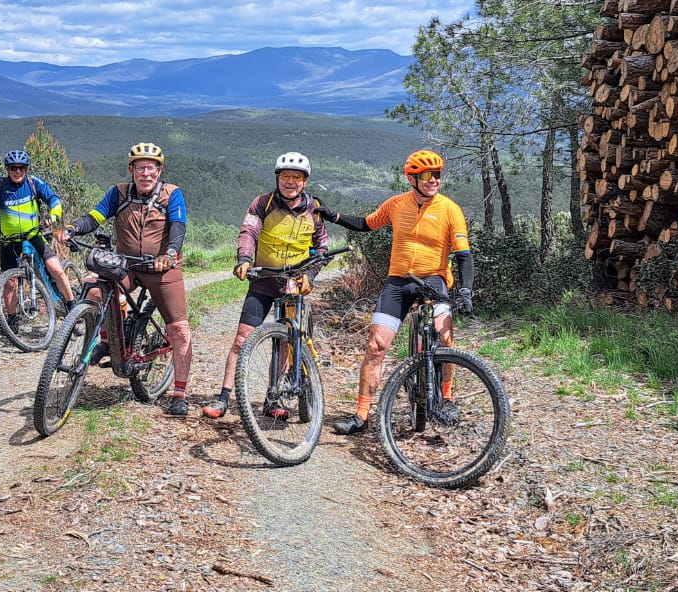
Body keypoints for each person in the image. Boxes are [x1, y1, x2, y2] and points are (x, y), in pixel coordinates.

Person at [319, 149, 475, 435]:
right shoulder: (396, 204)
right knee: (376, 346)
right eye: (427, 175)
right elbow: (367, 224)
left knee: (444, 335)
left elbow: (464, 255)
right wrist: (334, 216)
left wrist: (465, 291)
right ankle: (361, 415)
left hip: (434, 279)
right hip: (399, 282)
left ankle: (447, 397)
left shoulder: (450, 209)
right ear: (412, 179)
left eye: (437, 174)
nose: (433, 180)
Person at [65, 142, 194, 416]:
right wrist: (73, 228)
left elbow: (178, 227)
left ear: (159, 171)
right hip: (129, 265)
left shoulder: (172, 194)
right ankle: (107, 340)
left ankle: (180, 393)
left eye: (151, 168)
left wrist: (170, 254)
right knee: (95, 290)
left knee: (180, 330)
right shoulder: (119, 193)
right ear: (131, 170)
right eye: (140, 167)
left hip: (163, 268)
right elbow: (96, 216)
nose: (146, 173)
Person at [203, 152, 329, 419]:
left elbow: (322, 248)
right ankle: (223, 397)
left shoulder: (315, 209)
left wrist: (311, 274)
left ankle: (272, 399)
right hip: (263, 281)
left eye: (296, 177)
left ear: (305, 181)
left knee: (285, 342)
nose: (290, 181)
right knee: (242, 339)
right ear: (277, 178)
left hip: (293, 284)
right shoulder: (263, 203)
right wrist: (244, 258)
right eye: (285, 176)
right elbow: (248, 231)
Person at [0, 132, 75, 307]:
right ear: (7, 169)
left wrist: (53, 215)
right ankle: (12, 318)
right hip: (9, 241)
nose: (17, 171)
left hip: (34, 236)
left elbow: (54, 199)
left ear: (26, 169)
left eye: (21, 168)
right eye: (13, 168)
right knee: (9, 283)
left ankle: (72, 306)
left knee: (56, 269)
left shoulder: (33, 183)